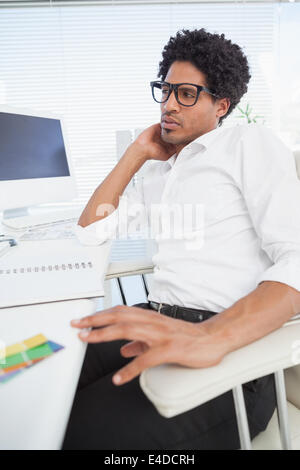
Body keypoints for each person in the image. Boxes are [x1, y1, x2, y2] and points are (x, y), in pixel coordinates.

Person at [62, 28, 300, 450]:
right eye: (166, 90)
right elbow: (90, 231)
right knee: (46, 372)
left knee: (81, 430)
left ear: (221, 105)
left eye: (187, 93)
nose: (169, 104)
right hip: (157, 318)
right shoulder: (161, 170)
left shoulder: (247, 143)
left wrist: (212, 336)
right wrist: (136, 153)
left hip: (233, 349)